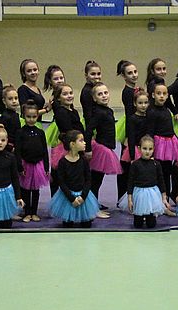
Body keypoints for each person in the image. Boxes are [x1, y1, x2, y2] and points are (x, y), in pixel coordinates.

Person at [48, 130, 100, 228]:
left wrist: (83, 197)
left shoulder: (84, 160)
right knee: (67, 225)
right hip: (68, 197)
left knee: (86, 224)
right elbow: (61, 182)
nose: (85, 143)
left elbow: (88, 180)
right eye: (81, 140)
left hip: (83, 196)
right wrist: (72, 199)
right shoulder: (63, 162)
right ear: (72, 144)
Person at [84, 82, 122, 217]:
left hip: (106, 148)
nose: (104, 96)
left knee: (97, 181)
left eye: (105, 93)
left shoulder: (108, 110)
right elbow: (88, 130)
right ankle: (92, 209)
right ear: (94, 98)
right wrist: (88, 149)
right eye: (100, 94)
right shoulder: (98, 112)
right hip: (101, 149)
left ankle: (93, 205)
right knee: (95, 180)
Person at [149, 83, 178, 206]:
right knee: (159, 174)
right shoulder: (152, 112)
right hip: (159, 146)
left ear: (168, 95)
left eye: (164, 94)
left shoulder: (167, 110)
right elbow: (150, 131)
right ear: (153, 95)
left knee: (167, 173)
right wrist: (152, 150)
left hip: (169, 144)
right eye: (158, 94)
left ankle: (166, 199)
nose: (161, 96)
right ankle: (159, 201)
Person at [15, 103, 49, 223]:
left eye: (34, 117)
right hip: (26, 164)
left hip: (38, 165)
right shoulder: (20, 132)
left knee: (35, 190)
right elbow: (17, 151)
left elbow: (45, 150)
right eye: (28, 117)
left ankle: (34, 212)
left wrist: (46, 166)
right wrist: (19, 166)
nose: (31, 119)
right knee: (25, 190)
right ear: (24, 116)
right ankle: (27, 212)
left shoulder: (40, 132)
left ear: (37, 117)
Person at [50, 83, 84, 199]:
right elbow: (68, 131)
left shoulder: (73, 111)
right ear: (58, 98)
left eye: (70, 93)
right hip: (68, 146)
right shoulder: (61, 112)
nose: (69, 96)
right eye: (65, 94)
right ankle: (57, 199)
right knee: (62, 176)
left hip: (76, 143)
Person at [126, 135, 167, 229]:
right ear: (139, 149)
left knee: (151, 224)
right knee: (137, 225)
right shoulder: (135, 164)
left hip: (152, 194)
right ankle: (139, 218)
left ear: (153, 149)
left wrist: (163, 197)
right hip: (139, 193)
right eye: (145, 148)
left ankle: (150, 218)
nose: (147, 151)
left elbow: (161, 181)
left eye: (150, 149)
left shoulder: (156, 164)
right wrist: (130, 198)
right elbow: (130, 181)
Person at [116, 60, 139, 200]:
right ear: (124, 77)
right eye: (130, 73)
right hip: (130, 126)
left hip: (135, 124)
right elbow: (130, 115)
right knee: (125, 163)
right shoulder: (127, 92)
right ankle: (122, 196)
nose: (134, 75)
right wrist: (129, 136)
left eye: (135, 72)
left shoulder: (134, 90)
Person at [80, 60, 102, 126]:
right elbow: (88, 114)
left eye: (98, 74)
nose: (96, 76)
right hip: (92, 126)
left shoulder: (96, 88)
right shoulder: (87, 91)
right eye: (93, 74)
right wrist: (90, 133)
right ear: (86, 75)